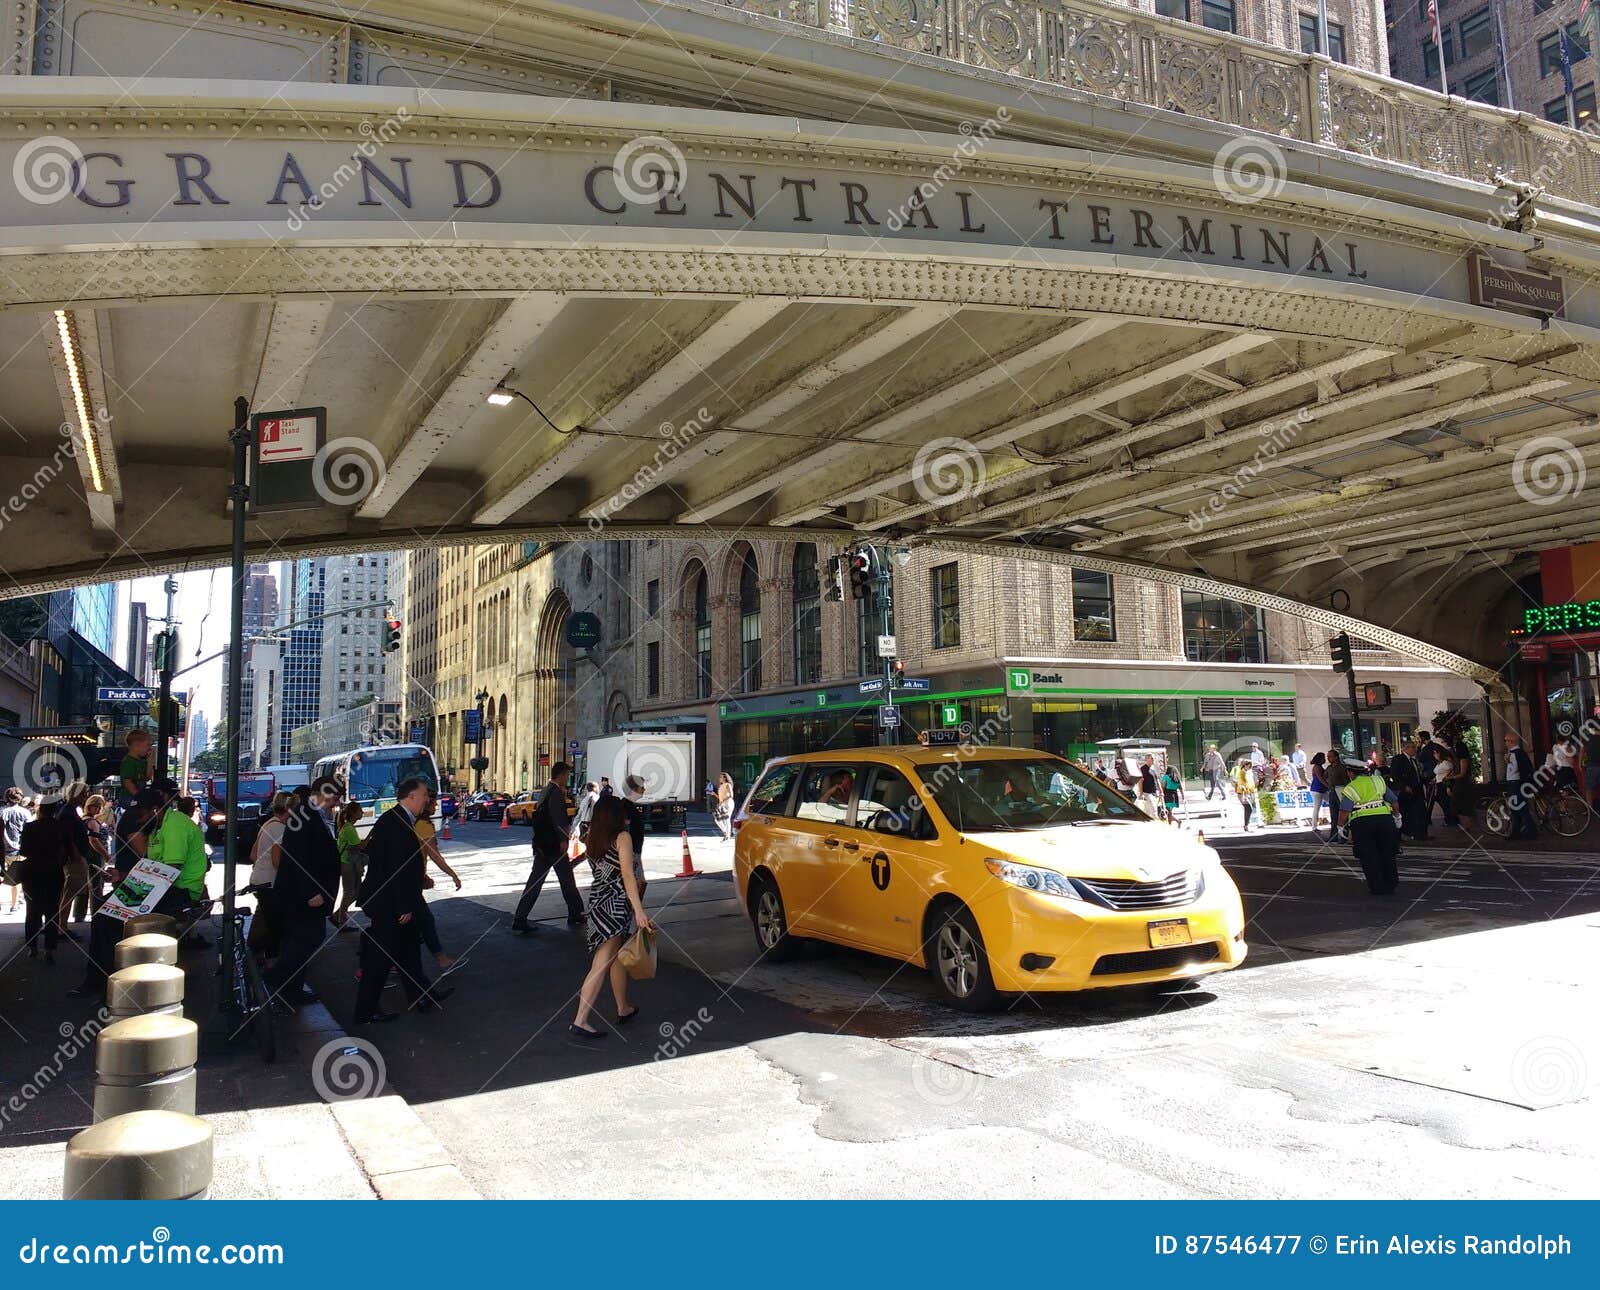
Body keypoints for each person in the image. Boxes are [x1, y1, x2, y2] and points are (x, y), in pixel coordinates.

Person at [354, 776, 446, 1023]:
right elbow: (395, 867)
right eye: (425, 794)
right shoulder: (396, 822)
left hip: (392, 899)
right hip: (388, 903)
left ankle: (423, 996)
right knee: (380, 960)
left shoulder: (398, 819)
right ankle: (366, 1010)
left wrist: (419, 880)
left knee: (409, 951)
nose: (427, 799)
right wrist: (403, 906)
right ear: (411, 796)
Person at [569, 795, 655, 1041]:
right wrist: (638, 910)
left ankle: (623, 1007)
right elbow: (628, 876)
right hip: (615, 905)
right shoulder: (622, 838)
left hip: (597, 902)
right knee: (601, 963)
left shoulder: (591, 838)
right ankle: (581, 1019)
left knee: (614, 957)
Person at [265, 777, 342, 1006]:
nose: (335, 804)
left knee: (300, 940)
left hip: (307, 893)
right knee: (307, 939)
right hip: (303, 895)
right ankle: (274, 979)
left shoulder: (312, 814)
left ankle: (293, 990)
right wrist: (310, 892)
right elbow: (296, 856)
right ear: (325, 793)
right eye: (335, 798)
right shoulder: (305, 814)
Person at [511, 761, 583, 932]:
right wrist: (563, 840)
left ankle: (520, 917)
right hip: (554, 845)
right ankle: (575, 913)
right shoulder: (556, 792)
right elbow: (559, 819)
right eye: (566, 775)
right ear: (560, 774)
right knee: (567, 880)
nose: (567, 778)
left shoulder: (545, 791)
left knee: (535, 881)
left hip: (543, 844)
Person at [147, 776, 210, 941]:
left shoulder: (175, 824)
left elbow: (172, 868)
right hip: (172, 886)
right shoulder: (162, 825)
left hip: (182, 889)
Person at [414, 792, 461, 973]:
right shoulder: (424, 825)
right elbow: (433, 854)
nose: (435, 807)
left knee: (414, 924)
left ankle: (394, 961)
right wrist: (453, 874)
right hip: (410, 882)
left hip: (412, 878)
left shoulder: (414, 823)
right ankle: (441, 959)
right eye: (433, 804)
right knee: (425, 920)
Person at [19, 800, 72, 962]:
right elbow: (67, 851)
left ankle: (32, 946)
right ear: (55, 811)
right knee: (52, 911)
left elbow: (24, 850)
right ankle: (49, 949)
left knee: (32, 911)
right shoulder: (61, 827)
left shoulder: (30, 827)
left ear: (40, 810)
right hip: (54, 873)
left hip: (32, 873)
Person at [1339, 760, 1401, 894]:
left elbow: (1344, 810)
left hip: (1362, 825)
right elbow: (1394, 801)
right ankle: (1391, 883)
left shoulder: (1351, 787)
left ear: (1351, 773)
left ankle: (1377, 886)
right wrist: (1397, 817)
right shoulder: (1379, 781)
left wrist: (1340, 827)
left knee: (1369, 856)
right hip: (1384, 821)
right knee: (1387, 852)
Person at [247, 791, 291, 958]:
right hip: (270, 883)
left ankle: (250, 956)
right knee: (274, 924)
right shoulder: (280, 828)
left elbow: (253, 855)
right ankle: (262, 957)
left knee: (262, 918)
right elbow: (277, 861)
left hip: (259, 879)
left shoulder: (267, 824)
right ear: (289, 808)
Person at [55, 782, 94, 937]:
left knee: (68, 893)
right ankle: (62, 927)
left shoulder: (69, 811)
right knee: (69, 893)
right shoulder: (67, 813)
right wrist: (77, 856)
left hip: (73, 858)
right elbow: (68, 838)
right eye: (83, 794)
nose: (85, 797)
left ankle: (61, 925)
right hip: (73, 860)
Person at [332, 803, 365, 928]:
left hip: (349, 863)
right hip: (348, 864)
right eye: (360, 811)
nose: (362, 813)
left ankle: (338, 915)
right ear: (354, 813)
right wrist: (371, 835)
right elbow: (360, 846)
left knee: (355, 892)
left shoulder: (347, 827)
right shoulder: (349, 828)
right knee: (350, 892)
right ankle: (341, 919)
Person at [1389, 741, 1428, 842]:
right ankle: (1407, 833)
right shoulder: (1399, 759)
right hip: (1406, 792)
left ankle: (1420, 834)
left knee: (1420, 812)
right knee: (1408, 813)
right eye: (1412, 747)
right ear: (1406, 748)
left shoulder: (1414, 761)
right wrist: (1404, 787)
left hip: (1417, 790)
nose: (1415, 750)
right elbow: (1394, 775)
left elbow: (1417, 775)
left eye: (1414, 747)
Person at [2, 787, 31, 913]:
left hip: (4, 849)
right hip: (20, 849)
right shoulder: (25, 813)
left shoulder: (2, 812)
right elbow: (30, 830)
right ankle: (14, 905)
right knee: (16, 879)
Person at [1505, 733, 1537, 840]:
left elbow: (1514, 769)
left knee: (1520, 807)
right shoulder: (1517, 753)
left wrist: (1507, 760)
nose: (1505, 743)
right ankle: (1517, 831)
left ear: (1511, 742)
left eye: (1506, 741)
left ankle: (1530, 830)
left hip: (1515, 783)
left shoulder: (1515, 754)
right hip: (1516, 782)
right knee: (1516, 808)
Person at [1322, 748, 1350, 841]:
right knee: (1333, 815)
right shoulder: (1329, 768)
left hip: (1340, 791)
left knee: (1342, 814)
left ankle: (1343, 837)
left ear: (1336, 757)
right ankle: (1333, 837)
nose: (1328, 758)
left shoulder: (1342, 768)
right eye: (1327, 757)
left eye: (1330, 756)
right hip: (1332, 791)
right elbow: (1324, 776)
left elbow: (1346, 781)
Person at [118, 729, 152, 805]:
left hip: (136, 796)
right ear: (136, 745)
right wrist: (139, 797)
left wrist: (149, 761)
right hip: (129, 799)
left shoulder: (141, 761)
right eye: (147, 745)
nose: (149, 748)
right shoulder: (128, 762)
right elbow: (127, 783)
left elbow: (148, 777)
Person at [1231, 757, 1259, 831]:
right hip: (1242, 793)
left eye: (1250, 765)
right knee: (1248, 808)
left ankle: (1246, 825)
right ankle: (1246, 825)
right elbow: (1241, 782)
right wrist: (1242, 787)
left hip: (1248, 792)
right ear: (1245, 765)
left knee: (1248, 809)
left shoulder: (1248, 772)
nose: (1250, 767)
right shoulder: (1242, 772)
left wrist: (1253, 788)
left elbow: (1250, 782)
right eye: (1248, 765)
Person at [1307, 752, 1329, 833]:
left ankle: (1314, 826)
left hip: (1321, 789)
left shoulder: (1318, 767)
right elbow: (1321, 779)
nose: (1325, 759)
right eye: (1323, 758)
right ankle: (1314, 827)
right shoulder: (1317, 767)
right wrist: (1328, 786)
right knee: (1317, 808)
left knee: (1332, 802)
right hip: (1317, 790)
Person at [1160, 762, 1185, 826]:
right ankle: (1177, 822)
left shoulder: (1165, 777)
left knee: (1168, 812)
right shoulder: (1177, 779)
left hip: (1167, 796)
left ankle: (1171, 824)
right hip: (1174, 796)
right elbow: (1181, 788)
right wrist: (1183, 797)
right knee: (1169, 812)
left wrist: (1161, 795)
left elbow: (1163, 787)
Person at [713, 771, 736, 840]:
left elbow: (731, 795)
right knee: (717, 820)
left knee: (726, 819)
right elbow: (721, 797)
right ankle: (726, 832)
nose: (719, 778)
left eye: (721, 777)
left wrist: (722, 801)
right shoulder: (720, 786)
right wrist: (714, 795)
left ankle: (727, 836)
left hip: (728, 802)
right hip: (722, 803)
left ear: (725, 778)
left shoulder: (728, 784)